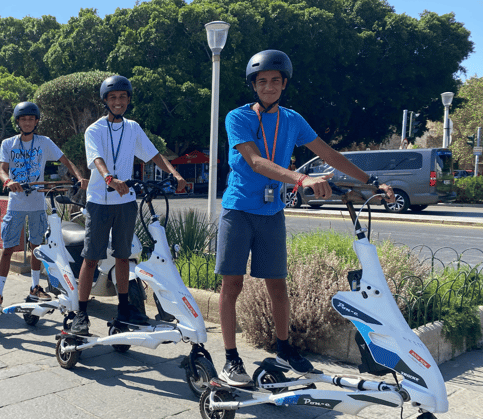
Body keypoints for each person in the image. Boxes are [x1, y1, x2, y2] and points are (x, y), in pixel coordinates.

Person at [215, 49, 395, 386]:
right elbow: (255, 162)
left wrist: (369, 181)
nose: (268, 86)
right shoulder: (237, 117)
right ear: (254, 85)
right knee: (232, 284)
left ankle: (285, 349)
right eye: (262, 81)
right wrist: (301, 178)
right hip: (238, 209)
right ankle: (230, 358)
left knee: (278, 286)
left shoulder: (292, 120)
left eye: (275, 81)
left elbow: (328, 153)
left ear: (284, 84)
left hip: (271, 212)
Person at [70, 75, 186, 335]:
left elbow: (153, 153)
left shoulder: (133, 128)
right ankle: (81, 313)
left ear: (128, 100)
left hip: (126, 201)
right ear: (105, 101)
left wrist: (174, 174)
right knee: (91, 258)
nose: (118, 101)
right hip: (100, 202)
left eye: (123, 97)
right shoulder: (94, 130)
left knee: (124, 256)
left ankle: (124, 308)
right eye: (113, 97)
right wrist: (110, 178)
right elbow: (97, 158)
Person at [0, 101, 87, 307]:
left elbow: (65, 161)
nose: (28, 122)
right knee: (8, 248)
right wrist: (8, 181)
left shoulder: (44, 142)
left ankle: (35, 288)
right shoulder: (8, 143)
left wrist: (80, 177)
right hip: (16, 204)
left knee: (37, 247)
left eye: (31, 119)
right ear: (18, 122)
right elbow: (2, 170)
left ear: (37, 121)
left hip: (38, 203)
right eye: (23, 119)